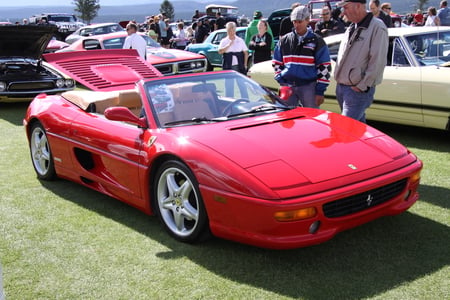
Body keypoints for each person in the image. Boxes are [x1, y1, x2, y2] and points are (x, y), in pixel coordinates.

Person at [334, 0, 388, 123]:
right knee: (357, 129)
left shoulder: (377, 27)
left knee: (346, 127)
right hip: (344, 87)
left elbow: (378, 61)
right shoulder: (352, 27)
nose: (343, 13)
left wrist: (363, 86)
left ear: (358, 6)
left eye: (346, 8)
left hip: (357, 90)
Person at [272, 5, 331, 108]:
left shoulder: (317, 41)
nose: (296, 25)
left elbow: (324, 66)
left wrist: (320, 91)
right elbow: (276, 62)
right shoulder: (284, 41)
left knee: (312, 117)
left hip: (309, 86)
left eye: (300, 22)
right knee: (287, 118)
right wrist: (282, 81)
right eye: (294, 22)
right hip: (288, 85)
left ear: (307, 20)